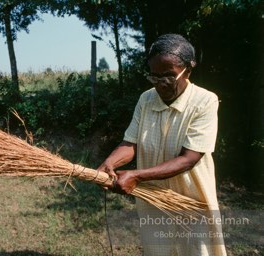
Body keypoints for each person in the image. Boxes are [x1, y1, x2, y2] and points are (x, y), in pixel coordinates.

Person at [97, 34, 227, 256]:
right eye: (154, 77)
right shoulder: (146, 100)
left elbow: (189, 158)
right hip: (153, 199)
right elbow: (131, 143)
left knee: (197, 250)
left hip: (190, 200)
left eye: (168, 76)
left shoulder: (205, 101)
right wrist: (110, 162)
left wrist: (136, 176)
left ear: (189, 69)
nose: (161, 84)